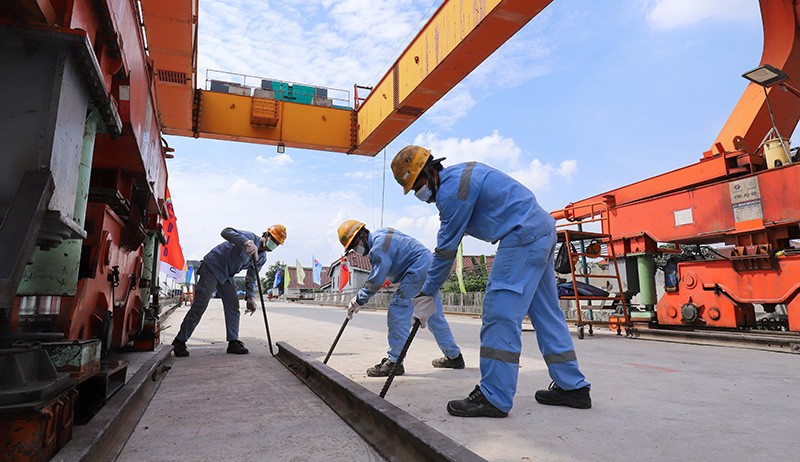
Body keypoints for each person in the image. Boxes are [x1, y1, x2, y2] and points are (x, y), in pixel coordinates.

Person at [390, 145, 591, 418]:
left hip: (521, 236)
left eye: (417, 185)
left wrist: (426, 293)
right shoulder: (461, 174)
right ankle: (573, 387)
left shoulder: (450, 192)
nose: (419, 194)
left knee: (499, 314)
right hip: (542, 230)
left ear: (429, 171)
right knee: (547, 314)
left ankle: (493, 396)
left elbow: (446, 250)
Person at [337, 219, 464, 377]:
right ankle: (454, 356)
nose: (356, 250)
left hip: (418, 270)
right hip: (429, 266)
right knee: (434, 316)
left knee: (398, 309)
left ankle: (394, 361)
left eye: (355, 244)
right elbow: (399, 255)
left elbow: (375, 281)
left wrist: (358, 300)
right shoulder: (381, 234)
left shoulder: (377, 249)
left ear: (363, 233)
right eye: (352, 248)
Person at [171, 225, 287, 357]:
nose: (274, 244)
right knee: (200, 306)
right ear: (266, 235)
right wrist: (245, 242)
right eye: (274, 240)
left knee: (233, 306)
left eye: (277, 243)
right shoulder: (249, 237)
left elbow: (251, 277)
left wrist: (250, 297)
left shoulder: (262, 258)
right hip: (212, 267)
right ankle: (179, 341)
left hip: (226, 275)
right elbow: (225, 232)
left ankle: (233, 342)